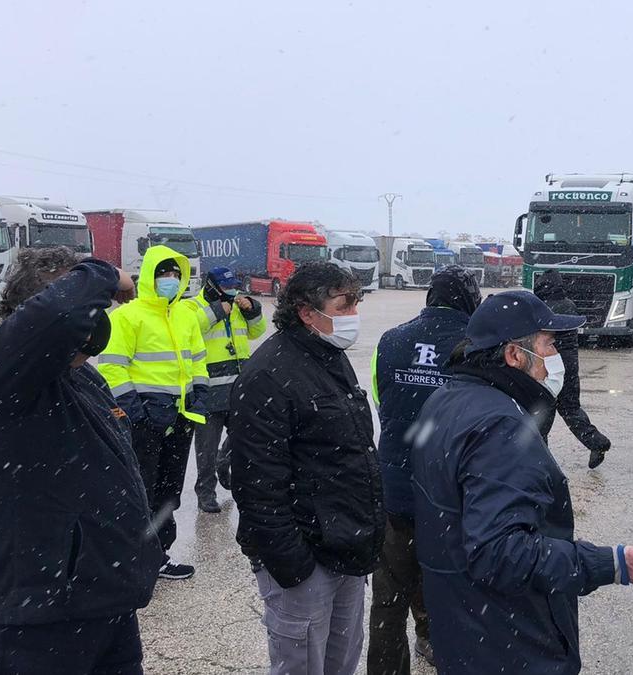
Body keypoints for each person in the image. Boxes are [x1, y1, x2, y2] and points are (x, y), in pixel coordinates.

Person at [412, 290, 633, 674]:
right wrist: (612, 563)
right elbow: (500, 554)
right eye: (549, 344)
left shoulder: (449, 398)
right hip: (509, 641)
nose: (557, 357)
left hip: (464, 623)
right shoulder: (500, 427)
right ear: (514, 355)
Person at [0, 247, 163, 674]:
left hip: (104, 606)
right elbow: (58, 314)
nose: (94, 321)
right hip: (29, 621)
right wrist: (103, 273)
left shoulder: (82, 376)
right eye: (86, 308)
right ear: (30, 318)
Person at [229, 262, 384, 675]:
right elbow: (257, 484)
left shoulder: (329, 356)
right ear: (306, 311)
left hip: (345, 549)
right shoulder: (268, 374)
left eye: (356, 301)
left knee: (341, 663)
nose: (353, 312)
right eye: (344, 303)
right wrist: (293, 565)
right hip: (305, 559)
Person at [367, 266, 482, 674]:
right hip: (452, 496)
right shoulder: (478, 344)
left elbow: (385, 403)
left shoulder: (391, 340)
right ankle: (445, 649)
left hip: (396, 488)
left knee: (388, 598)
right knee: (455, 593)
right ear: (471, 298)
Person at [97, 245, 208, 580]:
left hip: (180, 418)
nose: (170, 280)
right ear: (149, 276)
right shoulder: (127, 317)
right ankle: (133, 557)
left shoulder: (186, 314)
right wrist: (136, 413)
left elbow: (198, 359)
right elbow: (112, 369)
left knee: (169, 491)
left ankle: (159, 554)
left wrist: (199, 395)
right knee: (139, 490)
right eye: (164, 274)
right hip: (145, 421)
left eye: (175, 274)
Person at [176, 266, 265, 513]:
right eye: (225, 286)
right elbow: (188, 329)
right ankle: (206, 492)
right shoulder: (191, 306)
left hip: (238, 385)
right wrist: (216, 312)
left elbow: (257, 330)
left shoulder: (237, 306)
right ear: (211, 285)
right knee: (206, 446)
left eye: (233, 285)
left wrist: (252, 310)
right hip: (209, 388)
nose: (230, 291)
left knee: (245, 435)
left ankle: (223, 460)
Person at [531, 269, 613, 468]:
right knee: (571, 409)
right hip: (569, 365)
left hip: (548, 364)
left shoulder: (541, 308)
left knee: (541, 413)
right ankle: (597, 441)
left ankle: (539, 458)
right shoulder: (570, 304)